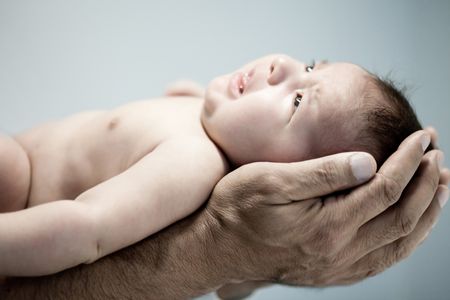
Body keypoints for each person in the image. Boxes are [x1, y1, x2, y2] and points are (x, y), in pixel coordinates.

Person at [0, 55, 448, 281]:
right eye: (312, 64)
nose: (282, 66)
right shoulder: (202, 120)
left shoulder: (192, 163)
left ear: (286, 176)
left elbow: (86, 230)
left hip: (19, 190)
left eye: (295, 102)